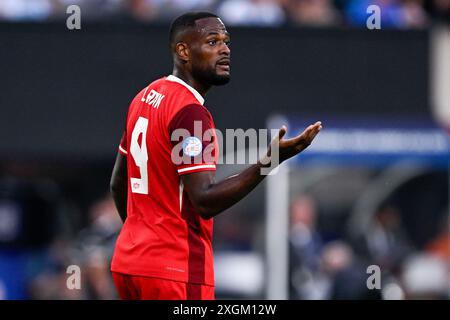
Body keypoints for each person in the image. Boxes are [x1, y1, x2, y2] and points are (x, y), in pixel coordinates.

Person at [109, 11, 322, 300]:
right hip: (175, 270)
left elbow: (118, 183)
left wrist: (141, 238)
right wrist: (270, 161)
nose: (225, 49)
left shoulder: (145, 96)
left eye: (226, 41)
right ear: (183, 51)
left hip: (130, 263)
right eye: (212, 42)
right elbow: (204, 200)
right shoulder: (190, 112)